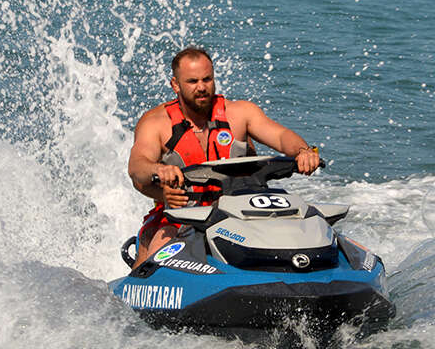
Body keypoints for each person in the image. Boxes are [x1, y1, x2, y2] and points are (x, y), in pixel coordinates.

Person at [127, 46, 321, 266]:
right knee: (155, 250)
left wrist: (303, 151)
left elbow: (281, 136)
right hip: (182, 216)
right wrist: (158, 170)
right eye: (192, 81)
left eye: (207, 79)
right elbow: (137, 166)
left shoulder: (240, 113)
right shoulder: (156, 123)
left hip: (242, 212)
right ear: (175, 85)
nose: (201, 88)